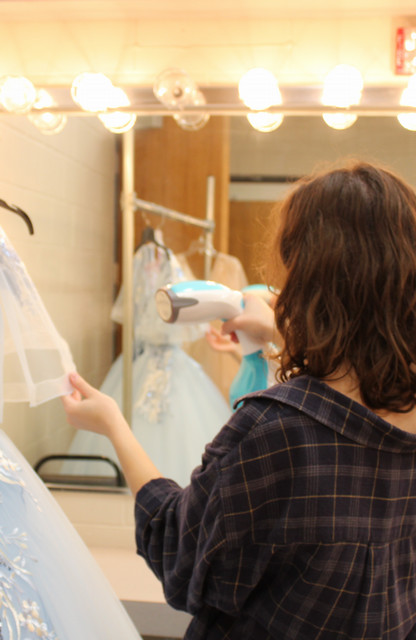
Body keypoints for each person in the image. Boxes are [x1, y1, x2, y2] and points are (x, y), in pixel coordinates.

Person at [62, 161, 416, 639]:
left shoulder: (278, 431)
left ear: (307, 277)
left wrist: (115, 426)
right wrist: (279, 337)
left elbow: (177, 556)